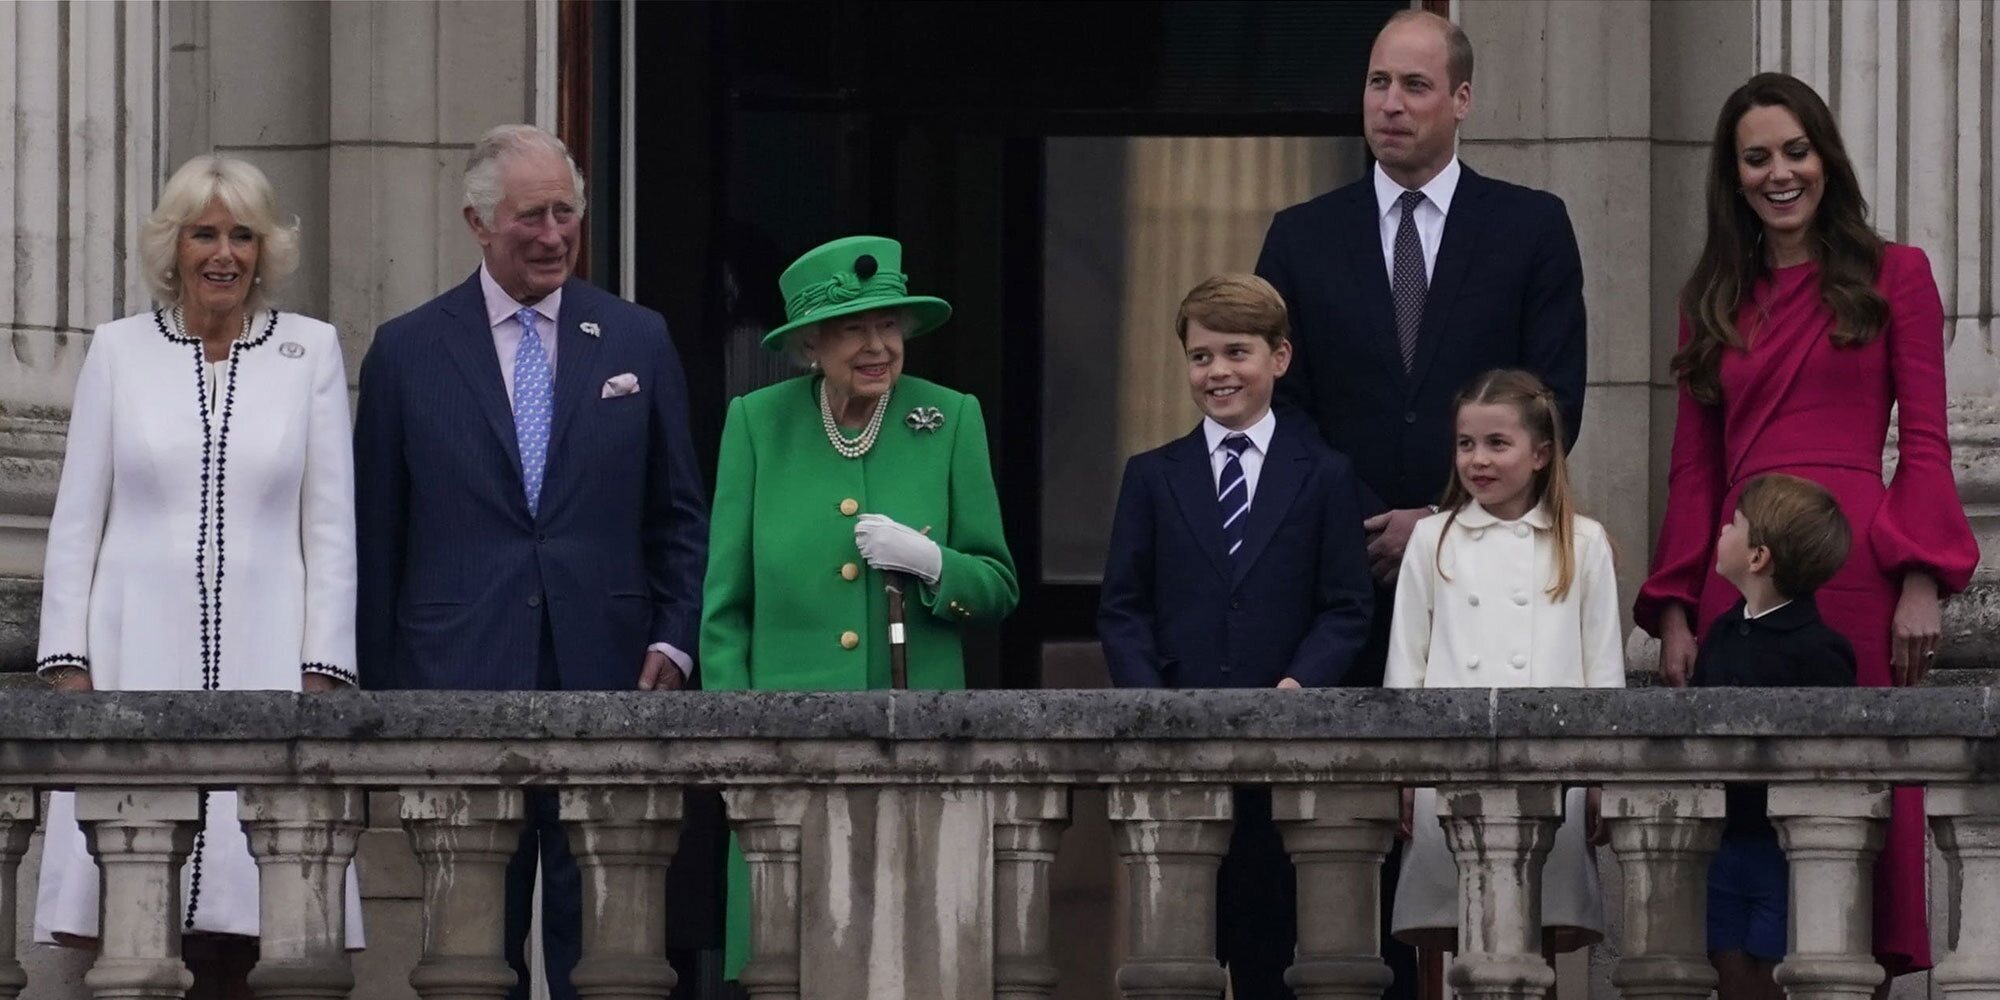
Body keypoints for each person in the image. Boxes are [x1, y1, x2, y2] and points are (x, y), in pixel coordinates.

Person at [1255, 15, 1589, 982]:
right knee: (1344, 864)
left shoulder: (1531, 226)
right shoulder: (1300, 237)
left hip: (1494, 587)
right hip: (1341, 580)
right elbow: (1287, 407)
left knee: (1482, 869)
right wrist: (1370, 521)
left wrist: (1441, 525)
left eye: (1412, 86)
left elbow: (1555, 398)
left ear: (1462, 100)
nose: (1389, 105)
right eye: (1376, 84)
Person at [1632, 72, 1978, 979]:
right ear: (1733, 173)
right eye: (1758, 158)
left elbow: (1930, 444)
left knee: (1849, 814)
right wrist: (1674, 605)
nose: (1779, 172)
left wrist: (1919, 579)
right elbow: (1693, 466)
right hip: (1735, 575)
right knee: (1739, 821)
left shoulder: (1896, 273)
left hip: (1856, 572)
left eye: (1796, 151)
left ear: (1825, 157)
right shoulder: (1711, 291)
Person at [353, 124, 709, 1000]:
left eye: (566, 215)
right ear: (478, 224)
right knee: (471, 949)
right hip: (455, 678)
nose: (553, 236)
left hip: (613, 672)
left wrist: (674, 638)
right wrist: (382, 691)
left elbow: (678, 513)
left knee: (607, 944)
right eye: (530, 218)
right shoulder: (406, 351)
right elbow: (375, 535)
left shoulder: (636, 339)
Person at [33, 154, 363, 994]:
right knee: (134, 914)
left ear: (264, 250)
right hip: (133, 648)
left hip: (267, 651)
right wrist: (66, 659)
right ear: (173, 247)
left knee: (256, 914)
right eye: (204, 234)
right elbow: (77, 518)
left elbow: (329, 525)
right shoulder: (117, 351)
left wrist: (323, 666)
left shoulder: (310, 351)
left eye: (242, 235)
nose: (224, 254)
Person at [700, 235, 1018, 980]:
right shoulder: (756, 424)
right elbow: (725, 610)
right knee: (790, 963)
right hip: (785, 757)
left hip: (917, 751)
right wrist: (738, 747)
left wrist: (936, 564)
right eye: (854, 329)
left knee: (913, 962)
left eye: (890, 326)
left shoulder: (949, 419)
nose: (879, 346)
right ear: (811, 343)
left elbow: (998, 586)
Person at [1098, 273, 1373, 998]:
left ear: (1279, 358)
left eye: (1236, 352)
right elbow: (1123, 607)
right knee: (1177, 956)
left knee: (1272, 949)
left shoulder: (1326, 476)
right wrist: (1153, 703)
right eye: (1200, 356)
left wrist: (1300, 685)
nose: (1218, 372)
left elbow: (1346, 605)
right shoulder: (1151, 476)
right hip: (1178, 750)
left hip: (1284, 756)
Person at [1384, 369, 1621, 958]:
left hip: (1550, 772)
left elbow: (1604, 673)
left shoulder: (1583, 543)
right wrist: (1405, 776)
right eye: (1466, 444)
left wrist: (1601, 778)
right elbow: (1405, 666)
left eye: (1497, 443)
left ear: (1541, 454)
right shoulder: (1432, 538)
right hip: (1448, 772)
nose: (1477, 460)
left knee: (1536, 936)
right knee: (1447, 941)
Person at [1693, 474, 1857, 1000]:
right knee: (1724, 965)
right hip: (1720, 838)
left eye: (1734, 524)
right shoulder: (1719, 632)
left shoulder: (1820, 650)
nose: (1723, 529)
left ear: (1758, 556)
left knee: (1774, 970)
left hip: (1782, 845)